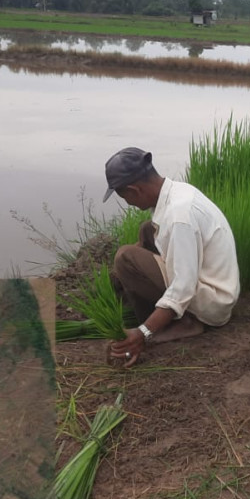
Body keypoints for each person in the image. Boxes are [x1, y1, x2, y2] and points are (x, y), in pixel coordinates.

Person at [101, 147, 240, 367]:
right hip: (210, 282)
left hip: (212, 302)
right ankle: (163, 314)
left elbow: (183, 286)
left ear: (134, 190)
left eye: (124, 196)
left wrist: (144, 332)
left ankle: (181, 322)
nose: (128, 203)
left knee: (125, 258)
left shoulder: (179, 216)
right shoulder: (177, 191)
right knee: (147, 230)